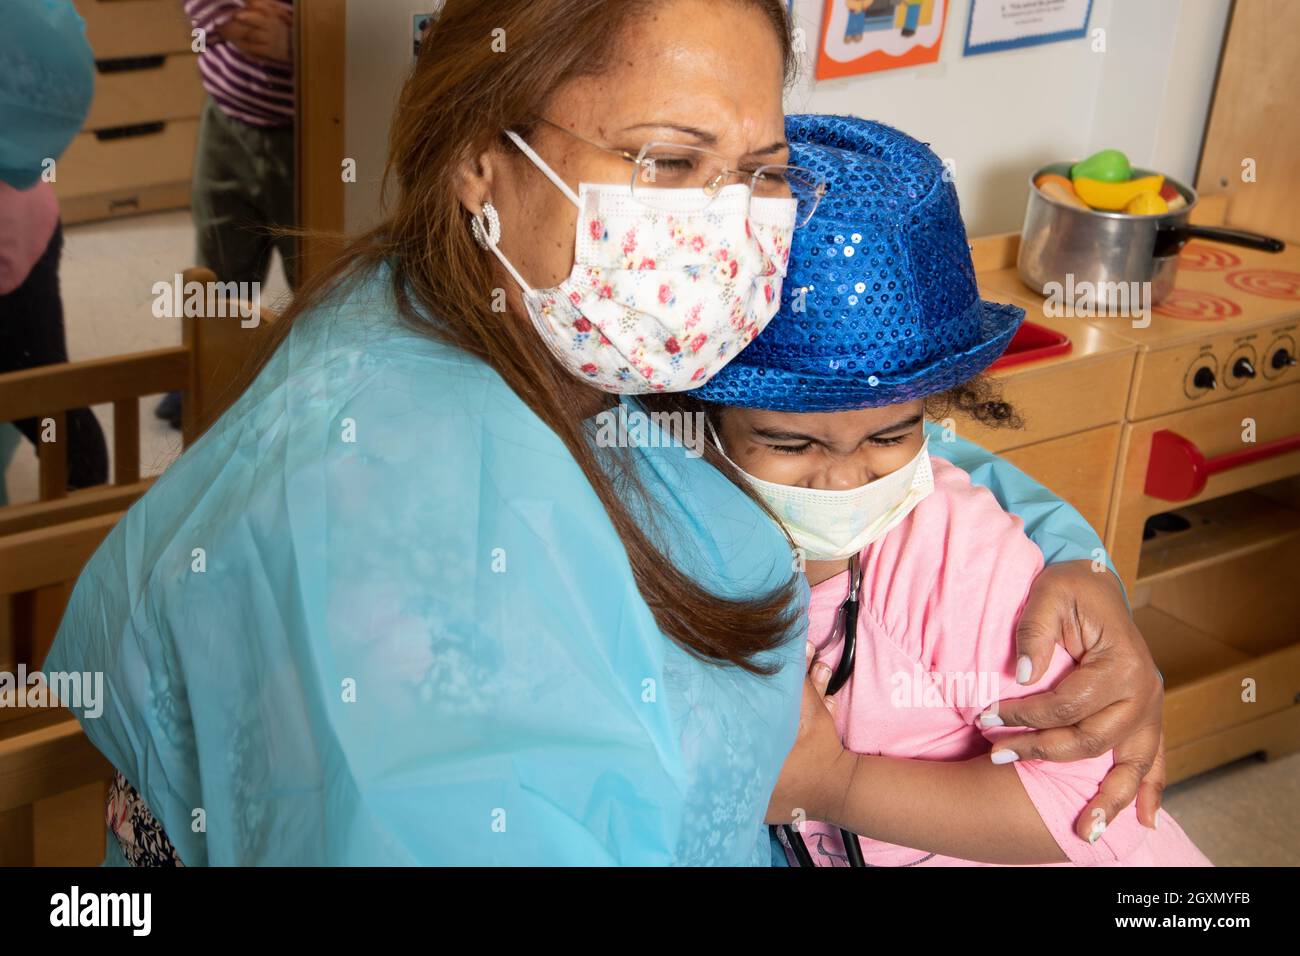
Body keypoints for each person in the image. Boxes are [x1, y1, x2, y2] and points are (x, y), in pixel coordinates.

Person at [47, 0, 1163, 866]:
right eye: (668, 163)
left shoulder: (556, 318)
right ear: (481, 156)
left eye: (760, 172)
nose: (721, 229)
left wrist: (1072, 553)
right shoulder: (412, 527)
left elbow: (834, 440)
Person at [689, 115, 1208, 866]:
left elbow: (1085, 808)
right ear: (700, 421)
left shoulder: (951, 558)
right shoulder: (672, 517)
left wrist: (834, 784)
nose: (844, 480)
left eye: (889, 438)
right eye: (790, 443)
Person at [155, 0, 297, 429]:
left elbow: (365, 26)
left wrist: (299, 43)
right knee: (217, 265)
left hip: (312, 129)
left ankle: (317, 384)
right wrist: (228, 18)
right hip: (227, 121)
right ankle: (210, 373)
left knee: (318, 271)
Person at [0, 0, 109, 490]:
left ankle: (83, 523)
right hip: (31, 219)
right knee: (47, 387)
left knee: (46, 396)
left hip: (18, 239)